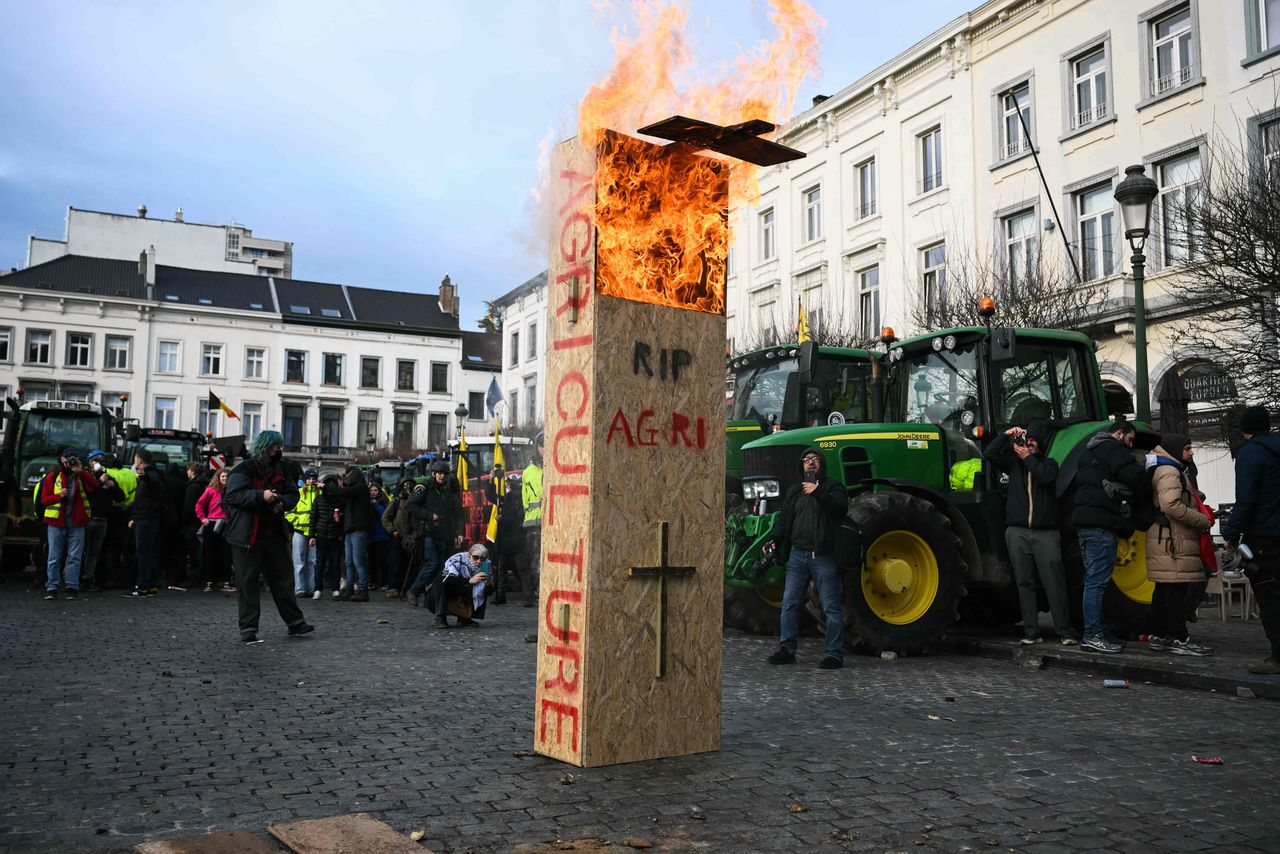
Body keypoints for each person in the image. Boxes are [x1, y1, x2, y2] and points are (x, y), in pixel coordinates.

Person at [984, 421, 1077, 645]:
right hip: (1017, 532)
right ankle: (1031, 632)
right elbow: (990, 453)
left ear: (1040, 445)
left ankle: (1065, 631)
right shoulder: (1014, 465)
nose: (1030, 444)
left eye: (1034, 441)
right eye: (1027, 440)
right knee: (1024, 583)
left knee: (1054, 582)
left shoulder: (1050, 464)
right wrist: (1006, 435)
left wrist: (1027, 458)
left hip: (1045, 533)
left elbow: (1047, 478)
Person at [222, 430, 313, 644]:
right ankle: (249, 628)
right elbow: (232, 496)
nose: (279, 450)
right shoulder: (244, 469)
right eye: (275, 447)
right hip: (247, 535)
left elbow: (293, 495)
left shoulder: (281, 469)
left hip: (273, 534)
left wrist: (281, 500)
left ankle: (295, 622)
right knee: (248, 582)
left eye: (280, 446)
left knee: (283, 579)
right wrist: (260, 496)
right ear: (266, 447)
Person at [765, 447, 848, 669]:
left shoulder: (833, 487)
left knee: (830, 606)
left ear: (822, 464)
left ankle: (834, 654)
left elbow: (840, 508)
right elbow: (784, 521)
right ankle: (787, 649)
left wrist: (817, 492)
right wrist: (775, 539)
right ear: (801, 466)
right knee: (790, 604)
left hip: (823, 556)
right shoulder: (794, 491)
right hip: (797, 556)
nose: (810, 463)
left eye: (815, 459)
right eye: (806, 460)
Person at [1071, 419, 1146, 653]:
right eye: (1130, 440)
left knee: (1093, 580)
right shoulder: (1113, 448)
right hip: (1101, 524)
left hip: (1085, 524)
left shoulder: (1088, 452)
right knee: (1096, 582)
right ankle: (1093, 634)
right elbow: (1134, 475)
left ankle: (1099, 631)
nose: (1130, 446)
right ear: (1119, 433)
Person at [1143, 433, 1214, 656]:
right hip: (1172, 542)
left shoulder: (1163, 469)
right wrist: (1201, 520)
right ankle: (1180, 639)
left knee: (1164, 590)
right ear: (1175, 451)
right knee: (1175, 592)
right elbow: (1171, 505)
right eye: (1187, 449)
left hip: (1166, 540)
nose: (1191, 452)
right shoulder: (1170, 471)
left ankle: (1159, 635)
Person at [1222, 406, 1280, 675]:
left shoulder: (1250, 454)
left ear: (1245, 429)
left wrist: (1231, 535)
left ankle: (1278, 657)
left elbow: (1246, 500)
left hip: (1265, 536)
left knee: (1269, 596)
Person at [39, 448, 99, 600]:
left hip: (76, 523)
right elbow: (44, 499)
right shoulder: (53, 476)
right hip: (56, 522)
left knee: (75, 557)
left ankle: (72, 587)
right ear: (61, 459)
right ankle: (52, 587)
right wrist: (59, 496)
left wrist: (82, 471)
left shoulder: (81, 475)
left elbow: (95, 487)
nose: (69, 461)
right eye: (67, 458)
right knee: (54, 557)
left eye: (73, 458)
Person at [405, 460, 464, 608]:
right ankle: (413, 591)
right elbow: (410, 505)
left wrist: (459, 533)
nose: (442, 476)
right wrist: (429, 515)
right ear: (433, 474)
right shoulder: (424, 488)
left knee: (441, 567)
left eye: (444, 474)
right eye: (440, 473)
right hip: (428, 532)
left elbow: (457, 514)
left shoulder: (447, 492)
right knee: (432, 563)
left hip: (444, 534)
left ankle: (430, 594)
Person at [82, 450, 124, 593]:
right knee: (80, 551)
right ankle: (74, 579)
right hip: (87, 519)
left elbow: (120, 497)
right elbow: (87, 492)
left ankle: (88, 578)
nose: (100, 464)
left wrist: (113, 486)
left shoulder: (108, 477)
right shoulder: (86, 477)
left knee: (94, 552)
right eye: (96, 461)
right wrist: (100, 483)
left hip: (103, 520)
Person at [128, 448, 166, 598]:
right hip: (145, 517)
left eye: (135, 459)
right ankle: (150, 585)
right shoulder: (154, 474)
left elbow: (152, 486)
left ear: (140, 461)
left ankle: (143, 586)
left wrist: (144, 477)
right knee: (148, 553)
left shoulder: (151, 475)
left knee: (143, 553)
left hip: (146, 519)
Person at [485, 465, 525, 605]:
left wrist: (504, 518)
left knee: (519, 569)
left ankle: (527, 597)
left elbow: (518, 517)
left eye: (511, 485)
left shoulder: (520, 500)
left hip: (515, 539)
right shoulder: (506, 499)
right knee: (504, 569)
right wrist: (491, 480)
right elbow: (491, 496)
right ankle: (501, 596)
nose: (510, 488)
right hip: (507, 539)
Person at [432, 543, 491, 628]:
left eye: (482, 558)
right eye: (475, 557)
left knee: (481, 585)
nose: (479, 561)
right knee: (442, 580)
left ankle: (464, 618)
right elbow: (446, 580)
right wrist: (469, 581)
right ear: (468, 555)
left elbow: (490, 591)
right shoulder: (457, 560)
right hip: (443, 589)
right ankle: (440, 616)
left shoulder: (486, 564)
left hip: (463, 587)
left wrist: (488, 584)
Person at [337, 465, 371, 602]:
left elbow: (345, 492)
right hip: (351, 529)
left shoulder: (361, 488)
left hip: (357, 529)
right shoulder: (356, 489)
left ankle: (363, 590)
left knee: (358, 562)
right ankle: (350, 588)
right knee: (349, 562)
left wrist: (339, 486)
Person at [196, 468, 233, 592]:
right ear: (218, 477)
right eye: (222, 476)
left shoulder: (232, 491)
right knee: (210, 553)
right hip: (212, 524)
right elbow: (199, 505)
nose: (224, 479)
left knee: (226, 554)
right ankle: (209, 581)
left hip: (227, 525)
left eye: (226, 477)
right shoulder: (211, 490)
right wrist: (203, 518)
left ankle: (225, 580)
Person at [310, 474, 345, 600]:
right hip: (322, 534)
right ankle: (318, 589)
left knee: (335, 564)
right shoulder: (319, 499)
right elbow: (313, 518)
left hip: (335, 535)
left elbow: (343, 519)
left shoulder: (339, 500)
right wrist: (312, 535)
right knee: (320, 564)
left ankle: (335, 589)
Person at [520, 433, 544, 608]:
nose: (543, 449)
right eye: (541, 445)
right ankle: (537, 593)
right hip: (532, 522)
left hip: (551, 520)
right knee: (534, 561)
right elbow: (524, 499)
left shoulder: (554, 468)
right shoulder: (527, 472)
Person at [286, 469, 318, 597]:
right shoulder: (298, 493)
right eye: (309, 479)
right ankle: (299, 588)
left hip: (314, 533)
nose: (311, 481)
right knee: (299, 562)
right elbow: (287, 511)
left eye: (313, 479)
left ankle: (311, 588)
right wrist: (297, 521)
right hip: (299, 531)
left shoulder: (319, 493)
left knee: (313, 562)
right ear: (305, 480)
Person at [181, 461, 210, 588]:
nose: (186, 472)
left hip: (193, 523)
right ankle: (203, 576)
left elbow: (189, 507)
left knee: (193, 551)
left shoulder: (192, 487)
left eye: (188, 470)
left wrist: (184, 522)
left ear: (192, 472)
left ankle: (194, 577)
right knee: (202, 550)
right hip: (204, 521)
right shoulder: (206, 484)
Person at [368, 482, 392, 593]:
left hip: (382, 536)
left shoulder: (384, 502)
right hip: (371, 536)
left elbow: (384, 515)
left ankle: (383, 582)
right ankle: (372, 582)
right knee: (371, 561)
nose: (373, 493)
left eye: (375, 490)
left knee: (382, 561)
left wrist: (375, 504)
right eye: (371, 491)